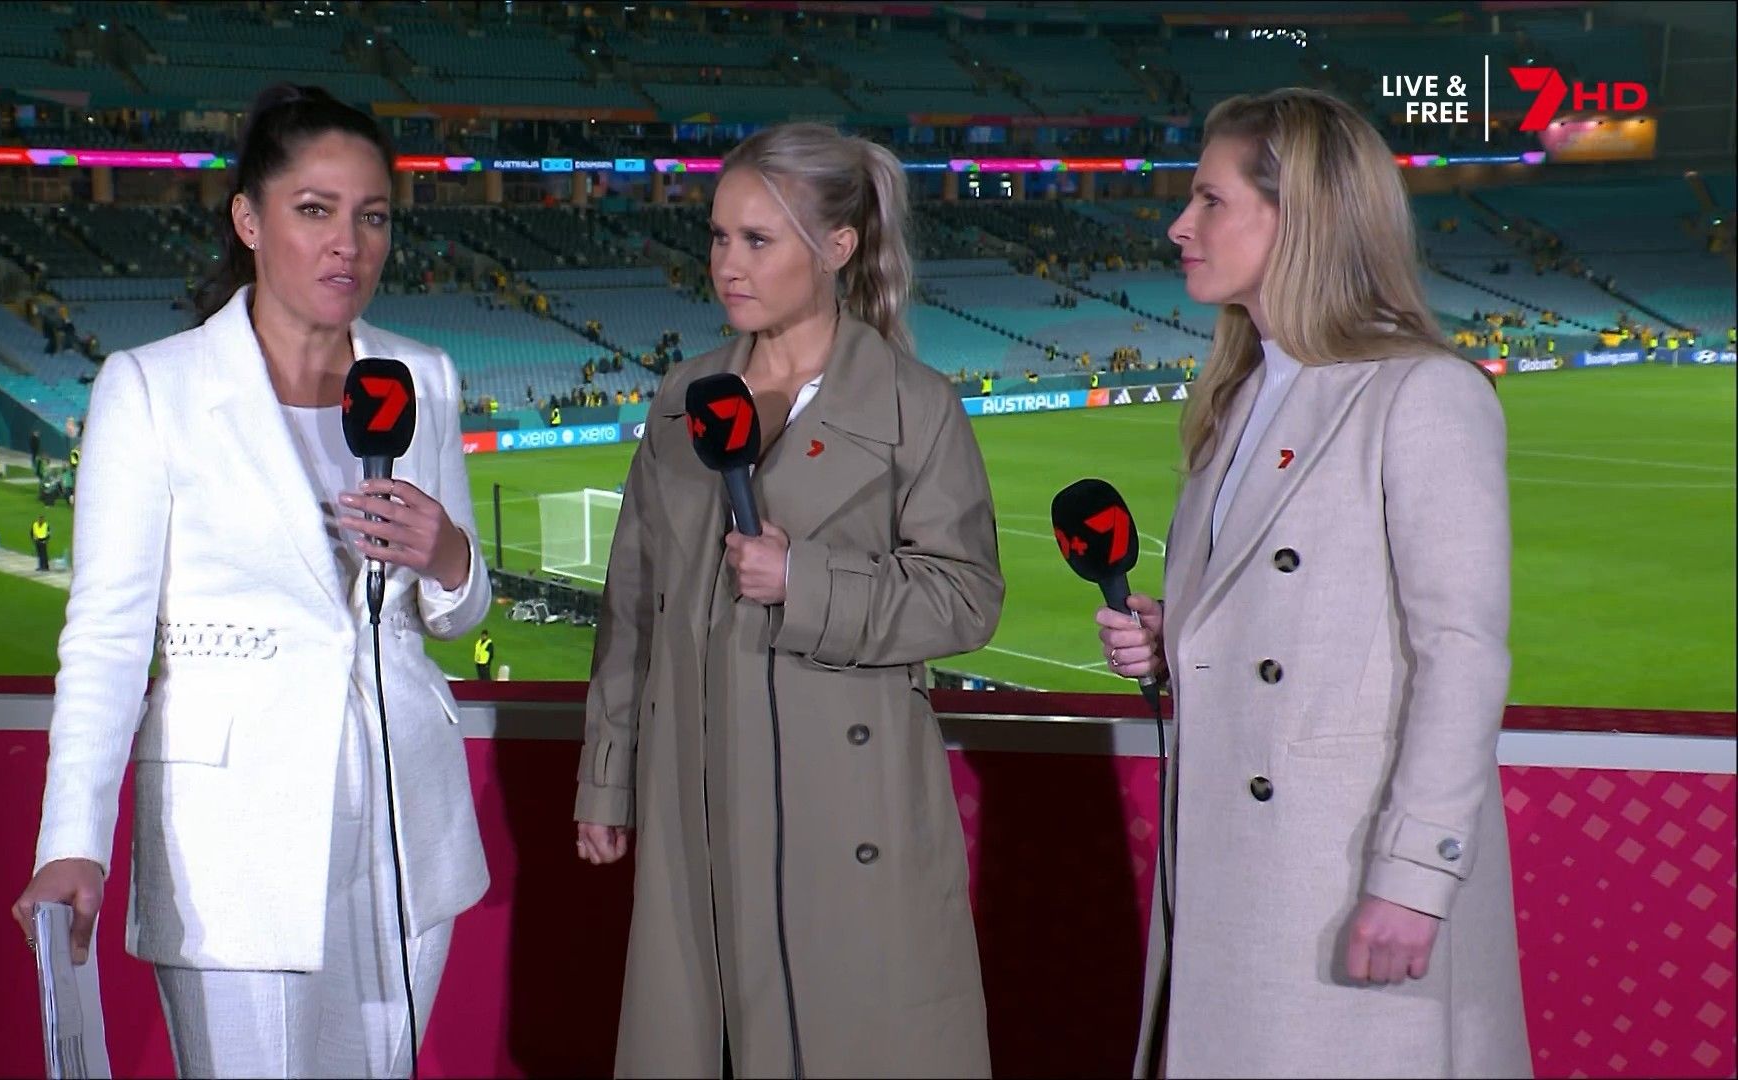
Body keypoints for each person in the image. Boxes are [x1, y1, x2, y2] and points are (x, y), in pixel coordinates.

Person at [9, 84, 494, 1080]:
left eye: (372, 217)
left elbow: (454, 615)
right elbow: (105, 639)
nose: (347, 244)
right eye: (315, 210)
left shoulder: (424, 376)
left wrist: (449, 556)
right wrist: (72, 841)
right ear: (248, 218)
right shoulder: (153, 387)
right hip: (230, 839)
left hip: (407, 829)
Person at [1095, 87, 1529, 1078]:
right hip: (1228, 874)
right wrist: (1175, 638)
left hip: (1340, 878)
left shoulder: (1422, 392)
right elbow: (1277, 626)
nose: (1179, 227)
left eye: (1210, 201)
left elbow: (1461, 655)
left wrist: (1414, 878)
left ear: (1301, 217)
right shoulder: (1238, 397)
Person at [574, 122, 1004, 1078]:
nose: (728, 264)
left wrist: (805, 580)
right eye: (719, 236)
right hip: (692, 799)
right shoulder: (682, 399)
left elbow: (966, 598)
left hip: (847, 810)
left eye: (758, 240)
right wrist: (607, 777)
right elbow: (632, 607)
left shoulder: (916, 407)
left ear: (837, 246)